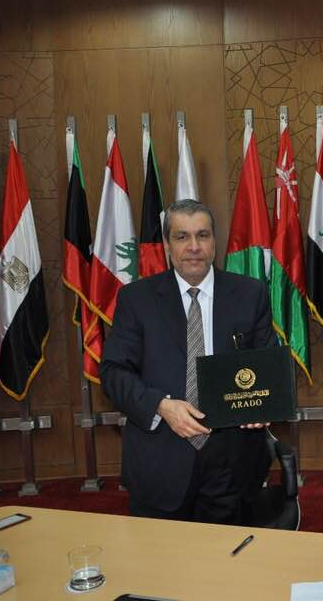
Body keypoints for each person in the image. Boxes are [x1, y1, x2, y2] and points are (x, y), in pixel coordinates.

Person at [101, 199, 272, 523]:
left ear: (214, 242)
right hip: (159, 461)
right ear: (167, 245)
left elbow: (266, 367)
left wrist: (261, 406)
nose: (194, 247)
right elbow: (113, 373)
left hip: (232, 465)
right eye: (182, 237)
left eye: (202, 235)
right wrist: (161, 406)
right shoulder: (136, 299)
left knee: (231, 554)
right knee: (161, 555)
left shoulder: (250, 294)